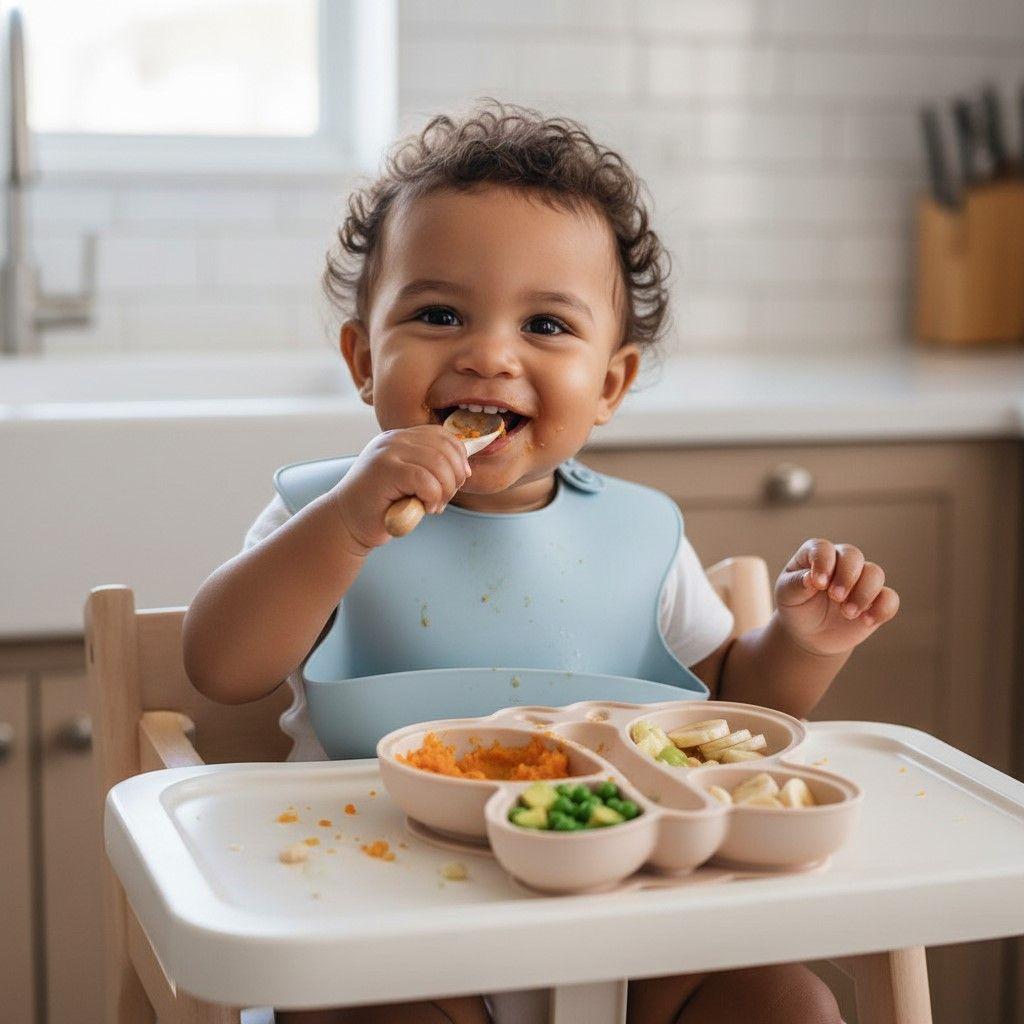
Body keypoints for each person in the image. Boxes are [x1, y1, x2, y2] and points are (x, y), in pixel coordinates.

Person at [183, 102, 899, 1024]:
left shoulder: (640, 535)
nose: (488, 354)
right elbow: (220, 666)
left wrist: (806, 640)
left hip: (625, 910)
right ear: (365, 360)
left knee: (785, 1000)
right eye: (439, 314)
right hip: (381, 918)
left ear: (610, 384)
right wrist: (346, 528)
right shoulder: (325, 515)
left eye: (548, 326)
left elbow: (735, 707)